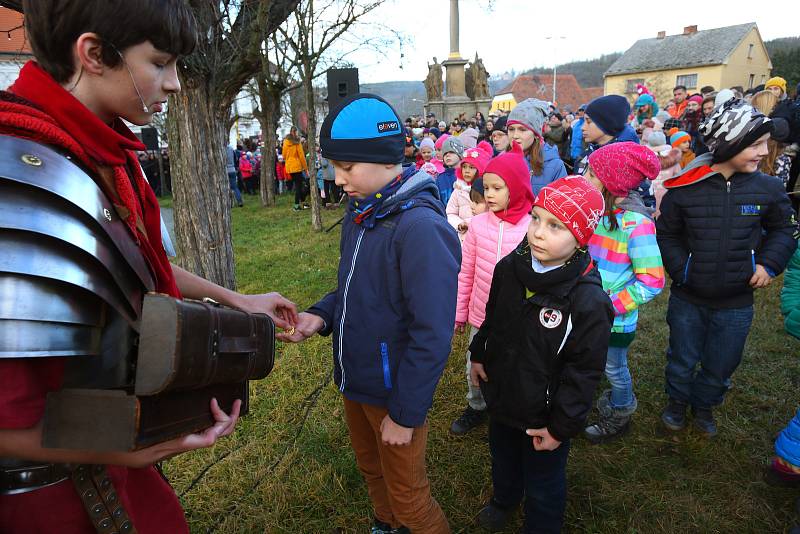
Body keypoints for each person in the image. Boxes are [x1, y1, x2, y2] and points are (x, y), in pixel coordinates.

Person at [0, 2, 299, 532]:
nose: (176, 84)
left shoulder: (102, 148)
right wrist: (121, 450)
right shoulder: (17, 169)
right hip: (44, 494)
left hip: (116, 467)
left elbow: (128, 263)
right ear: (93, 53)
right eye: (160, 62)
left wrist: (236, 300)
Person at [280, 93, 460, 534]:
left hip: (394, 394)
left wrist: (405, 412)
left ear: (385, 159)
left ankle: (406, 522)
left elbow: (432, 333)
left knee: (409, 496)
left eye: (347, 168)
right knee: (372, 470)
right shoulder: (363, 210)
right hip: (356, 379)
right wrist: (320, 316)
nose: (337, 179)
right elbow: (355, 287)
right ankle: (386, 524)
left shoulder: (420, 229)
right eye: (335, 167)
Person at [469, 175, 612, 533]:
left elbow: (584, 373)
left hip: (544, 416)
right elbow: (492, 319)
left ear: (581, 238)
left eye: (555, 226)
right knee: (503, 459)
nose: (538, 232)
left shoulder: (588, 302)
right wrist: (479, 352)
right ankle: (504, 499)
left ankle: (542, 524)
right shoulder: (508, 269)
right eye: (535, 218)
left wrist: (560, 427)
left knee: (544, 481)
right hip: (502, 397)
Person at [656, 99, 796, 437]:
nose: (764, 152)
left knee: (721, 363)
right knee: (682, 357)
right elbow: (668, 233)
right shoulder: (686, 188)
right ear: (729, 143)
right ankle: (677, 401)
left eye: (766, 143)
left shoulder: (768, 188)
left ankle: (704, 405)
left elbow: (785, 228)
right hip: (689, 298)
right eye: (755, 144)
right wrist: (681, 269)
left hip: (736, 303)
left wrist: (768, 262)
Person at [580, 143, 665, 443]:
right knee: (584, 360)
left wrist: (609, 305)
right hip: (582, 312)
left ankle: (620, 412)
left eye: (591, 173)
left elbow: (652, 281)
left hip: (613, 320)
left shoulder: (637, 225)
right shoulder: (593, 212)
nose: (584, 177)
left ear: (613, 183)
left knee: (614, 368)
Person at [451, 143, 535, 435]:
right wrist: (460, 313)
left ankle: (508, 407)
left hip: (519, 319)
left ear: (517, 187)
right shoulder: (477, 225)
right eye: (486, 187)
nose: (488, 194)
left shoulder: (531, 228)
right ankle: (476, 406)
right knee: (475, 365)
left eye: (497, 188)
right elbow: (467, 272)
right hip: (480, 315)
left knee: (514, 366)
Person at [507, 98, 567, 197]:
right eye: (511, 129)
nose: (515, 135)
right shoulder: (501, 161)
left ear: (536, 134)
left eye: (522, 129)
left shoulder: (555, 166)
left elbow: (560, 206)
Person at [446, 141, 492, 240]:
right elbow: (450, 212)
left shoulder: (486, 189)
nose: (467, 171)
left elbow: (490, 214)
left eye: (472, 167)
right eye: (464, 167)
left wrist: (468, 223)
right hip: (462, 237)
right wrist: (459, 224)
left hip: (482, 236)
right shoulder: (458, 189)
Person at [645, 131, 682, 217]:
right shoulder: (674, 160)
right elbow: (678, 180)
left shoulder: (644, 159)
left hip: (649, 197)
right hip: (669, 197)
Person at [282, 125, 309, 210]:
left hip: (289, 167)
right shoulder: (297, 142)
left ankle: (302, 203)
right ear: (296, 132)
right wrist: (306, 168)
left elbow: (284, 155)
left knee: (298, 185)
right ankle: (297, 205)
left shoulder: (286, 141)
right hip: (297, 166)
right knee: (300, 185)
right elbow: (301, 156)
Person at [437, 136, 465, 207]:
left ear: (460, 155)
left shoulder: (467, 174)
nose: (448, 155)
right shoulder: (440, 178)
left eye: (451, 152)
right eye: (445, 153)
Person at [570, 105, 587, 169]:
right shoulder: (576, 124)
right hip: (573, 154)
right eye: (579, 110)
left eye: (583, 110)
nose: (581, 112)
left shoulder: (587, 124)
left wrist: (584, 154)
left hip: (582, 155)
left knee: (580, 172)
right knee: (574, 171)